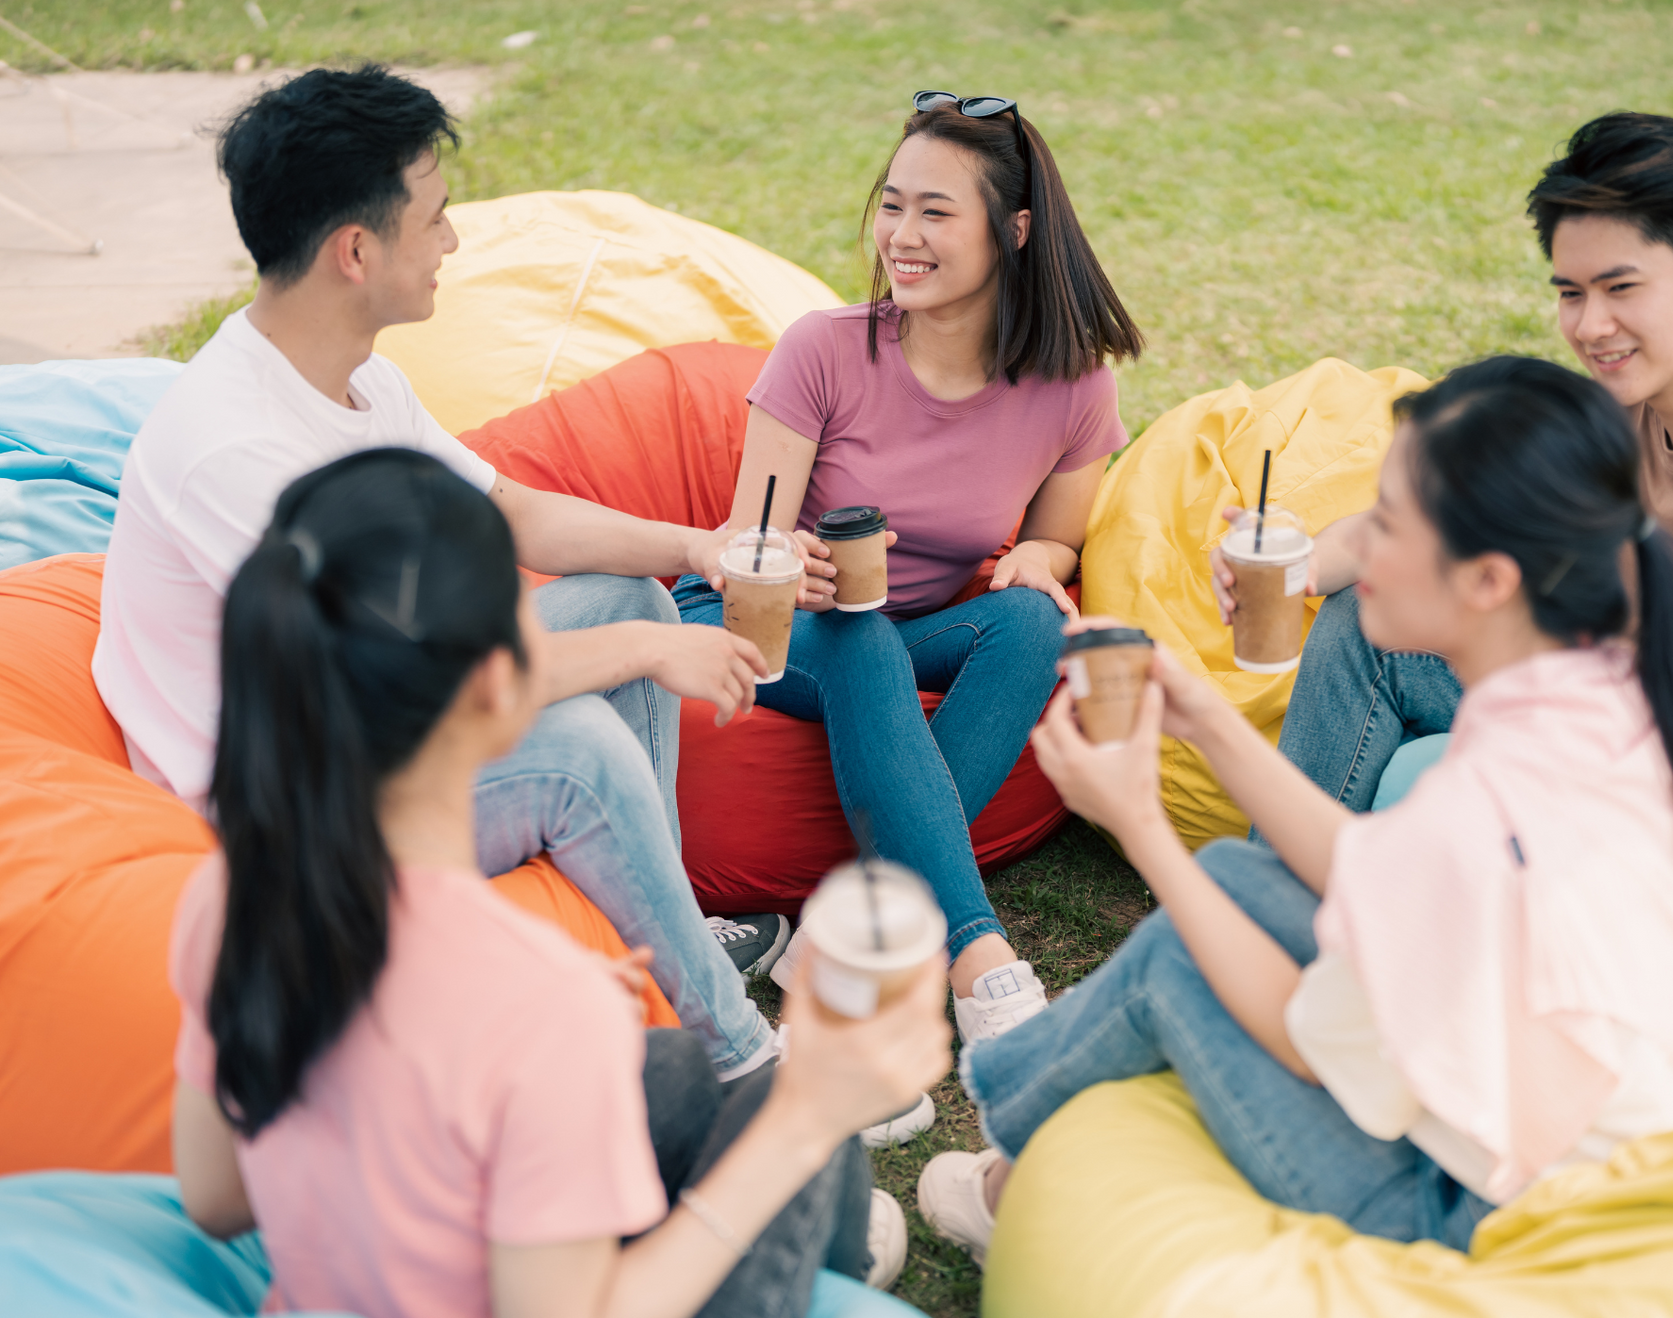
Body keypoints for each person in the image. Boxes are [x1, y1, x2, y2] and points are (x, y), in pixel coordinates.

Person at [917, 357, 1673, 1264]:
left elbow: (1304, 1037)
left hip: (1492, 1209)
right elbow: (1378, 873)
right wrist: (1216, 724)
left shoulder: (1482, 808)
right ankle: (1017, 1132)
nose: (1355, 546)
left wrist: (1139, 821)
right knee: (1234, 873)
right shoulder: (1597, 689)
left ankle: (1004, 1165)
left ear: (1489, 579)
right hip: (1598, 1111)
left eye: (1389, 522)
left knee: (1176, 965)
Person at [92, 65, 785, 1080]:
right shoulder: (230, 449)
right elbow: (421, 682)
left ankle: (660, 916)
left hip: (368, 714)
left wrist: (691, 549)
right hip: (292, 800)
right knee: (580, 742)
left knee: (628, 596)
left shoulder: (355, 374)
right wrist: (649, 647)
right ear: (356, 250)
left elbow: (506, 510)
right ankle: (745, 1061)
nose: (453, 242)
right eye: (436, 217)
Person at [169, 448, 951, 1318]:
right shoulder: (542, 1003)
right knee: (778, 1104)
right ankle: (825, 1266)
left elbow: (215, 1196)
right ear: (503, 684)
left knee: (682, 1076)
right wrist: (804, 1119)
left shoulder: (230, 894)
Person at [1217, 112, 1673, 823]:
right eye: (1570, 293)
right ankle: (1282, 890)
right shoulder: (1619, 406)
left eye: (1620, 289)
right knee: (1362, 624)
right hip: (1588, 688)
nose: (1588, 328)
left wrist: (1609, 688)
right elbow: (1433, 521)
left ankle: (1282, 903)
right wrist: (1297, 563)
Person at [675, 91, 1144, 1059]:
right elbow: (743, 545)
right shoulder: (824, 349)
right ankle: (977, 960)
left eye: (935, 211)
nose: (902, 234)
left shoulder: (1071, 383)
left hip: (899, 635)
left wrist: (1034, 557)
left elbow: (1059, 545)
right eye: (892, 204)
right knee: (858, 632)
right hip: (765, 624)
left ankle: (830, 939)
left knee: (1028, 622)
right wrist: (780, 559)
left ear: (1012, 230)